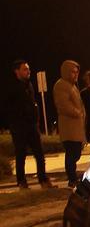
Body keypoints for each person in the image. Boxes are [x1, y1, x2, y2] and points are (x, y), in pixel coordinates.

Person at [4, 60, 54, 189]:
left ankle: (43, 179)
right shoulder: (12, 87)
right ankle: (22, 182)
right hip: (19, 127)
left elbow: (32, 103)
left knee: (39, 153)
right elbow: (9, 107)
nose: (28, 71)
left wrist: (35, 118)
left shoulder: (29, 85)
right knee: (21, 154)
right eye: (25, 69)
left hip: (32, 125)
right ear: (17, 71)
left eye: (28, 69)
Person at [53, 60, 86, 187]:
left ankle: (73, 176)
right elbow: (63, 105)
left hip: (76, 127)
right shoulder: (61, 85)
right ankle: (72, 178)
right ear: (66, 72)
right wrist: (77, 112)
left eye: (77, 72)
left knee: (75, 152)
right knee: (72, 152)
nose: (75, 74)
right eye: (73, 72)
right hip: (69, 127)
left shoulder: (72, 86)